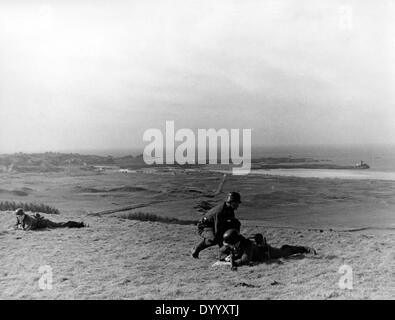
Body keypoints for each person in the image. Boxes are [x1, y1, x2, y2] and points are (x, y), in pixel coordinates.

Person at [219, 229, 317, 270]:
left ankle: (304, 249)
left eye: (230, 245)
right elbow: (222, 252)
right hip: (258, 253)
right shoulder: (231, 244)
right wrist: (226, 258)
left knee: (285, 252)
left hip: (266, 253)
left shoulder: (247, 245)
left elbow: (245, 259)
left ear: (235, 241)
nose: (228, 246)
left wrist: (234, 262)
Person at [191, 192, 242, 259]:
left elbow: (233, 224)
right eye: (237, 202)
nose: (238, 205)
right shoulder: (220, 212)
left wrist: (236, 238)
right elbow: (218, 232)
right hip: (204, 227)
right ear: (231, 202)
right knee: (213, 239)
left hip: (213, 225)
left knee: (236, 223)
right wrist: (224, 249)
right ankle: (196, 249)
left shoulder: (230, 209)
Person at [14, 208, 87, 230]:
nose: (18, 217)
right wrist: (17, 227)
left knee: (60, 225)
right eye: (17, 216)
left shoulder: (28, 219)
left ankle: (80, 224)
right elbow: (16, 225)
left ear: (23, 215)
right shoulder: (20, 218)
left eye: (19, 216)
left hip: (45, 223)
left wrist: (22, 228)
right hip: (40, 222)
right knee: (60, 225)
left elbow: (28, 228)